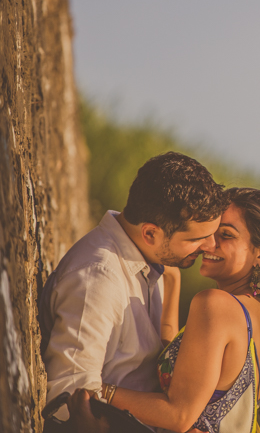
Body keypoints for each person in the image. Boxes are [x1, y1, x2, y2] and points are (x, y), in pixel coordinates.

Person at [70, 187, 260, 432]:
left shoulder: (216, 306)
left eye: (226, 235)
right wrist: (171, 280)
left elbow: (179, 416)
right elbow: (184, 371)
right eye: (210, 232)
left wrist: (97, 390)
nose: (209, 243)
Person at [39, 152, 229, 424]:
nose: (211, 246)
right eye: (198, 238)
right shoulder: (99, 278)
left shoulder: (151, 263)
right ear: (150, 233)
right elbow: (68, 397)